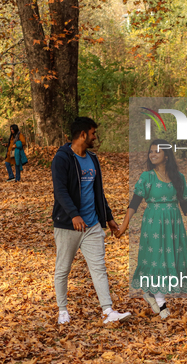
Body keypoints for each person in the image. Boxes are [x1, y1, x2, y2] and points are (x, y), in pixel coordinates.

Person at [51, 117, 132, 325]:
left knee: (99, 268)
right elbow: (60, 190)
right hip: (68, 225)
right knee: (63, 269)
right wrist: (73, 214)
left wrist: (109, 218)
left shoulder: (93, 159)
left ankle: (107, 311)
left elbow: (98, 193)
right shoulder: (62, 158)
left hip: (92, 225)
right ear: (83, 134)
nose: (96, 137)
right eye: (93, 133)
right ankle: (62, 310)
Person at [116, 139, 187, 319]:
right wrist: (124, 225)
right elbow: (134, 203)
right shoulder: (147, 177)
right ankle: (162, 305)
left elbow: (185, 204)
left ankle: (151, 292)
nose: (152, 154)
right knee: (157, 260)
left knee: (170, 259)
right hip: (153, 223)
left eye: (157, 151)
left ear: (167, 156)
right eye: (151, 151)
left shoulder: (178, 178)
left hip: (173, 224)